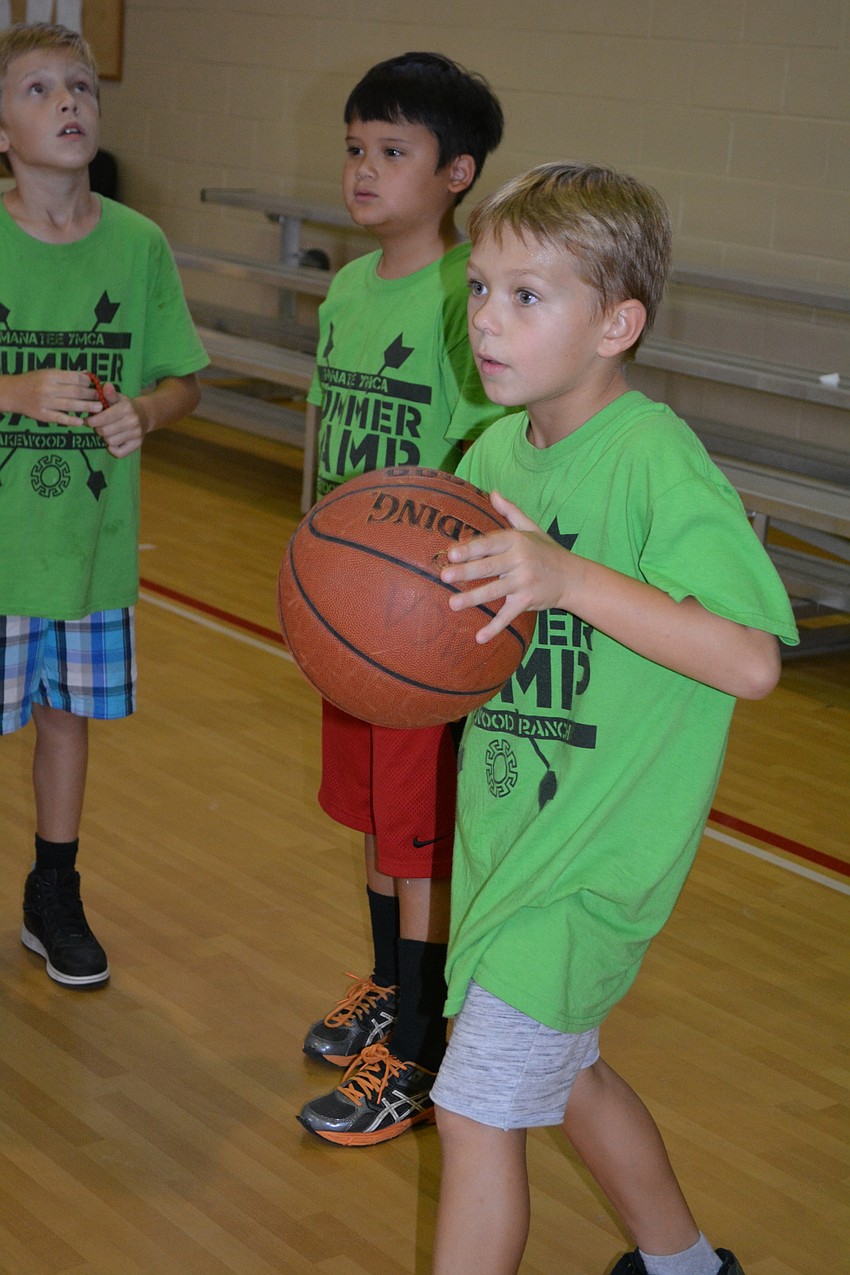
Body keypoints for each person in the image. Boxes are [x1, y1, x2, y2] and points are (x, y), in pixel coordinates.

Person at [428, 163, 799, 1274]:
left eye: (526, 296)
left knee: (477, 1111)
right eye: (481, 288)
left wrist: (569, 580)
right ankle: (685, 1264)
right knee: (569, 1074)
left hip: (597, 865)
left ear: (615, 323)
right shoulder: (492, 454)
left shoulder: (653, 458)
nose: (486, 319)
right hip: (511, 841)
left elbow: (749, 659)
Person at [297, 51, 505, 1146]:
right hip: (353, 613)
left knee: (421, 838)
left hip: (426, 627)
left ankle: (417, 1052)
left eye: (392, 152)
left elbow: (495, 458)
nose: (363, 171)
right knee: (378, 824)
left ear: (457, 173)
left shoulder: (467, 297)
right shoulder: (343, 287)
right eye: (354, 149)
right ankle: (390, 983)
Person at [0, 22, 208, 988]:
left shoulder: (139, 244)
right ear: (2, 127)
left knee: (64, 719)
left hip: (86, 545)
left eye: (80, 86)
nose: (68, 102)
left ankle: (54, 892)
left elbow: (183, 382)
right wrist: (11, 392)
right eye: (38, 89)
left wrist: (146, 412)